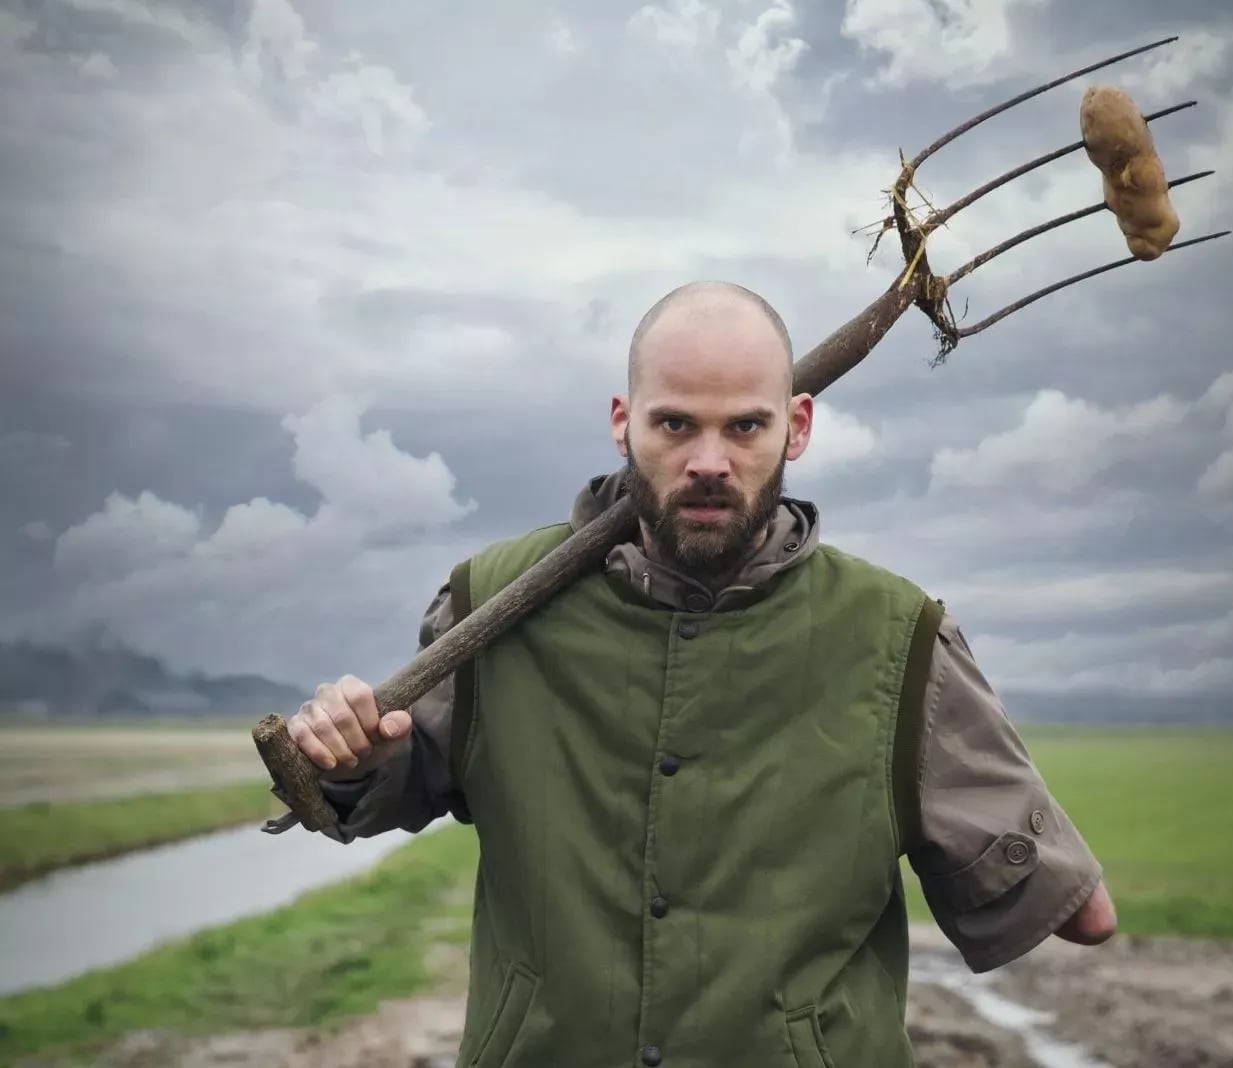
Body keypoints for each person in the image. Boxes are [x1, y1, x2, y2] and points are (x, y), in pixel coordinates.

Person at [280, 280, 1116, 1067]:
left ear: (798, 426)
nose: (708, 460)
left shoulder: (898, 639)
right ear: (623, 421)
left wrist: (1019, 853)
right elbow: (380, 785)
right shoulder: (487, 604)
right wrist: (352, 757)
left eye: (744, 427)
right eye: (675, 425)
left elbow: (1077, 913)